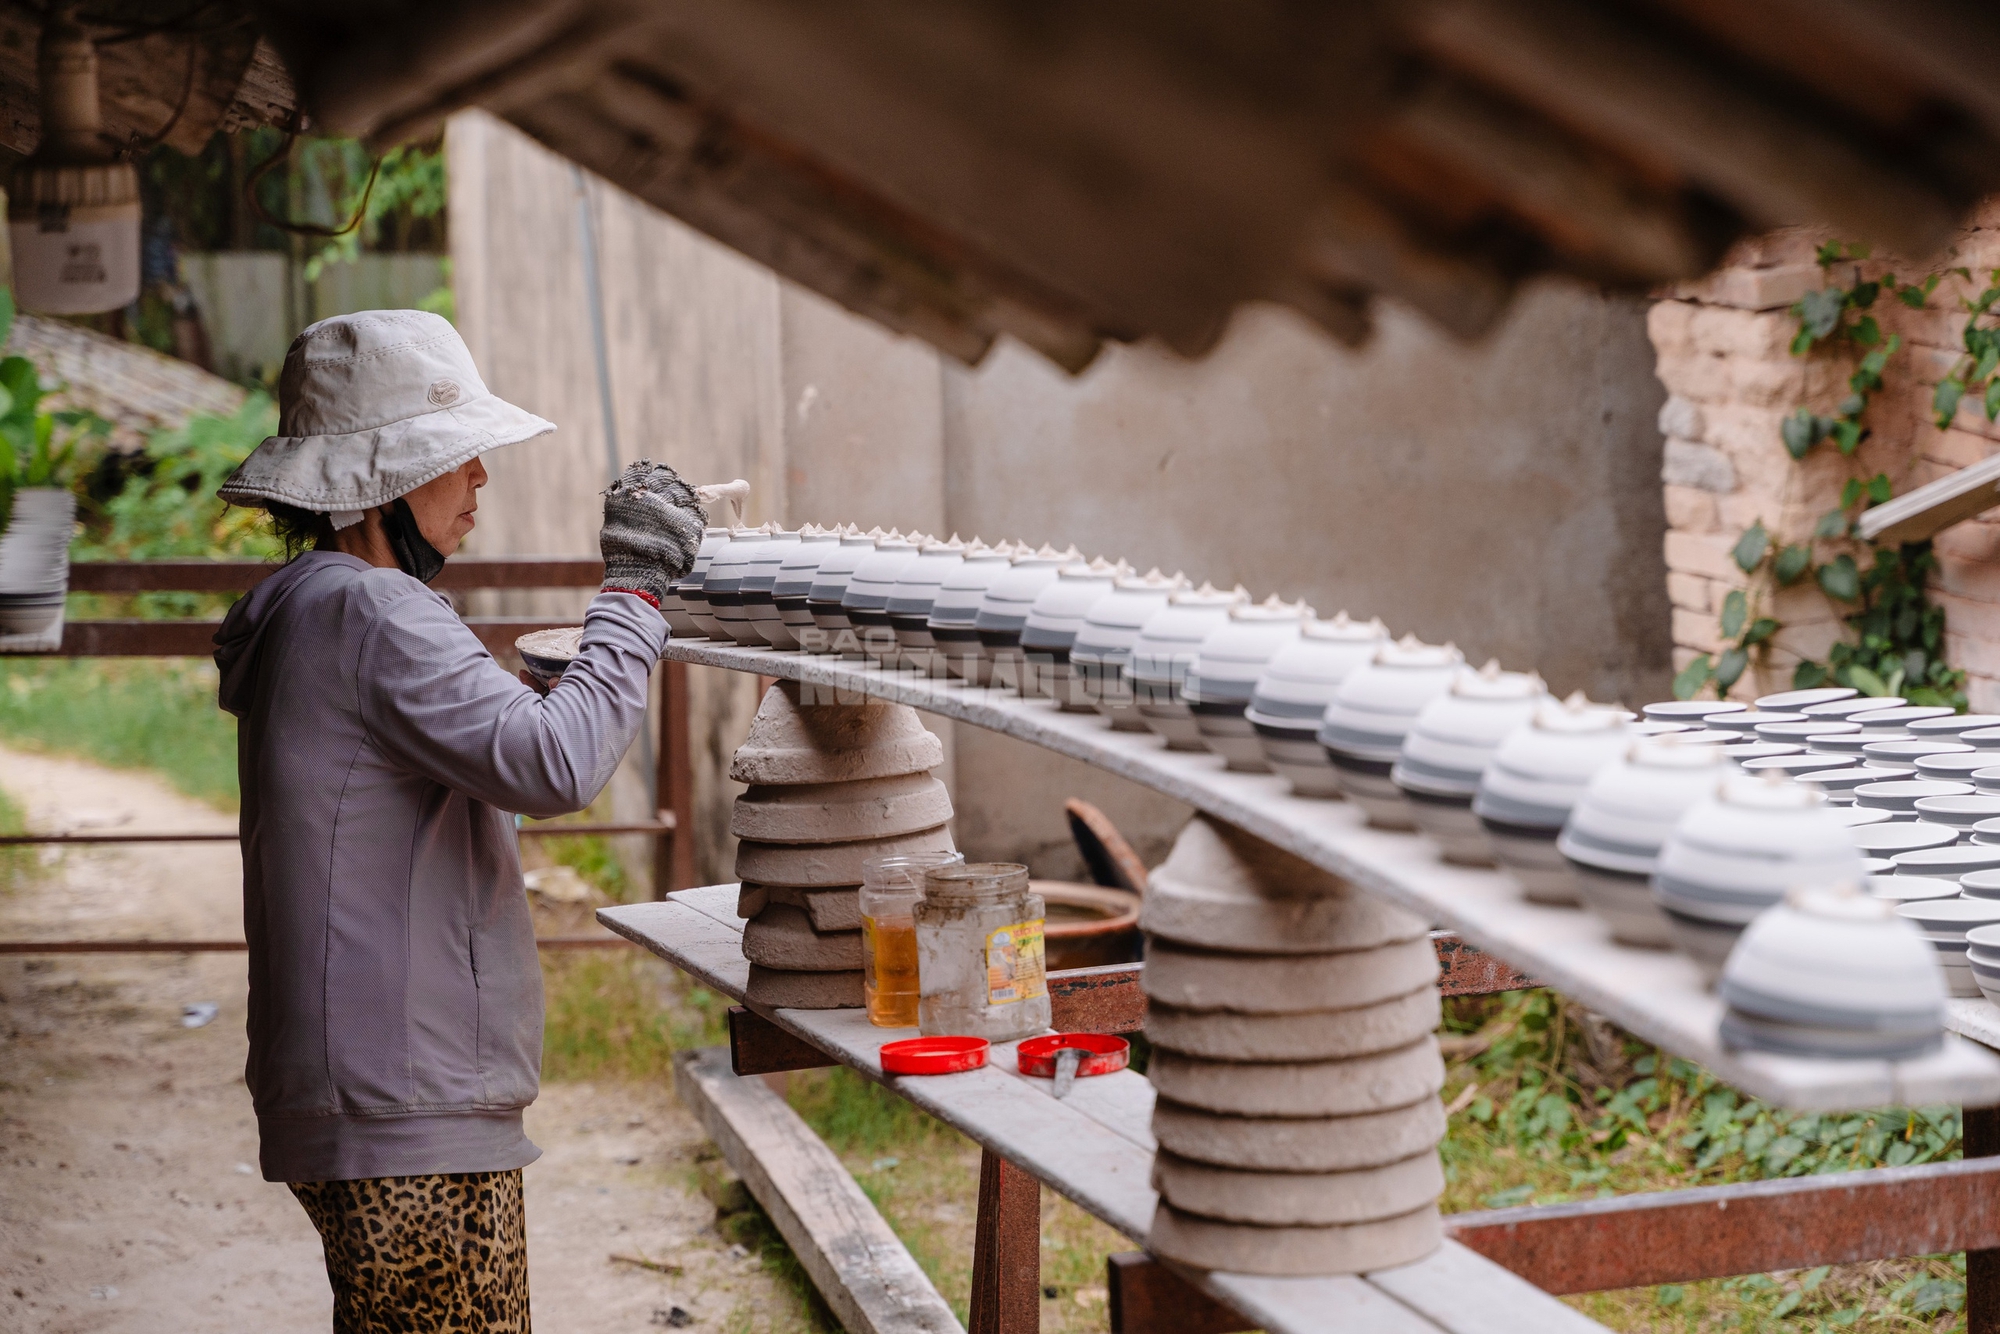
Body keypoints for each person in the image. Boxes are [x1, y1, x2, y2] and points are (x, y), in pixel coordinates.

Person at [212, 309, 705, 1333]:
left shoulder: (316, 606)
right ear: (382, 481)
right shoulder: (373, 614)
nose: (479, 477)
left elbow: (476, 756)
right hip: (404, 1094)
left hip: (380, 1087)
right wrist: (632, 593)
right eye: (456, 455)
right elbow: (556, 761)